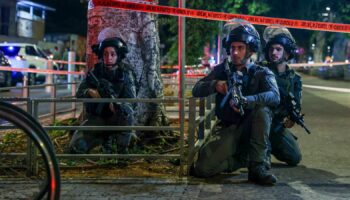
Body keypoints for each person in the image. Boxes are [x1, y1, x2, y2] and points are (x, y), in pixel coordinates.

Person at [191, 19, 280, 185]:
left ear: (249, 50)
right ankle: (242, 160)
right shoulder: (221, 71)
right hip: (229, 127)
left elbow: (274, 96)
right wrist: (215, 85)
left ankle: (257, 167)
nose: (236, 52)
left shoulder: (262, 72)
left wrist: (247, 101)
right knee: (202, 170)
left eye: (240, 48)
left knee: (262, 111)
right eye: (233, 48)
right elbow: (196, 89)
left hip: (254, 128)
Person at [69, 37, 136, 155]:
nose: (108, 58)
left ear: (118, 56)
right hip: (97, 120)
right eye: (105, 54)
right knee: (76, 148)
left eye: (112, 54)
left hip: (116, 119)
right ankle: (102, 139)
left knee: (126, 113)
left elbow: (132, 100)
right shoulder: (96, 71)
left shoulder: (125, 73)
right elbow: (79, 93)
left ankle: (121, 148)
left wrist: (118, 105)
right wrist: (90, 92)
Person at [262, 25, 302, 166]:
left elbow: (296, 103)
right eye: (272, 49)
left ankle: (269, 146)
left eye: (278, 49)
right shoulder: (261, 71)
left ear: (286, 53)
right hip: (257, 122)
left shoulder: (294, 79)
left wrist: (292, 118)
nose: (274, 53)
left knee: (295, 157)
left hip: (277, 125)